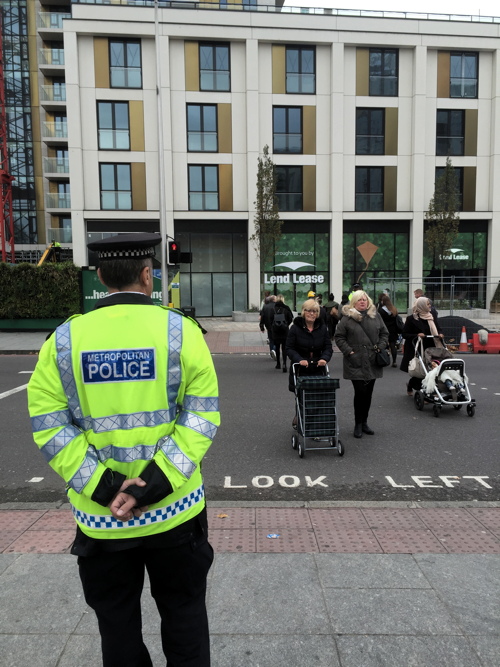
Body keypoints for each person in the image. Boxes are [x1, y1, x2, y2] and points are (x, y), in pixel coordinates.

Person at [27, 233, 220, 667]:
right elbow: (202, 416)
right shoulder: (181, 332)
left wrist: (104, 486)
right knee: (185, 618)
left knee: (117, 631)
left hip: (103, 521)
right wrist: (154, 482)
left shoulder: (62, 340)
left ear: (100, 276)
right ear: (148, 275)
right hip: (174, 511)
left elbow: (49, 425)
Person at [335, 290, 389, 439]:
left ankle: (364, 422)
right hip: (355, 361)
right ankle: (358, 423)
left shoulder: (375, 316)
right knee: (360, 393)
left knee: (368, 393)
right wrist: (350, 352)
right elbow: (339, 337)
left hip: (372, 359)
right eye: (359, 300)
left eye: (365, 299)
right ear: (354, 302)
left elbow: (385, 333)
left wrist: (381, 346)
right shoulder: (347, 318)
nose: (363, 302)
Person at [286, 299, 333, 420]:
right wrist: (299, 359)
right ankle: (301, 419)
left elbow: (328, 347)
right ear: (303, 311)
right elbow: (289, 348)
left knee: (317, 397)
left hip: (318, 367)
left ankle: (315, 425)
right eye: (309, 311)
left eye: (315, 311)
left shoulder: (322, 328)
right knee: (302, 396)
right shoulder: (295, 328)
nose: (312, 314)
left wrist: (324, 358)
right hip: (301, 368)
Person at [400, 295, 444, 396]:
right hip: (417, 347)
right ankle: (413, 385)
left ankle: (431, 390)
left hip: (431, 346)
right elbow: (405, 334)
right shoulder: (412, 319)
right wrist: (417, 335)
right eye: (427, 304)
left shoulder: (431, 316)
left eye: (429, 304)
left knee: (433, 368)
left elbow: (438, 327)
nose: (429, 306)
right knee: (421, 371)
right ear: (421, 305)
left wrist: (440, 334)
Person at [271, 294, 293, 372]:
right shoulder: (286, 308)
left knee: (277, 347)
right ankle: (284, 364)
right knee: (284, 348)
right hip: (284, 331)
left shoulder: (273, 308)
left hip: (276, 331)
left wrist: (273, 326)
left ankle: (278, 363)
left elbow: (270, 319)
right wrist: (286, 324)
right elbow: (291, 318)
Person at [377, 293, 400, 367]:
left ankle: (383, 359)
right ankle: (394, 361)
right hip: (393, 330)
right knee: (393, 345)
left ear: (383, 302)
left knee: (383, 344)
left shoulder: (381, 310)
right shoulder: (394, 309)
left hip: (384, 329)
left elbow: (380, 320)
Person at [259, 294, 277, 360]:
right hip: (276, 326)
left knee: (271, 339)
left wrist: (261, 326)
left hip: (268, 326)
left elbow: (262, 317)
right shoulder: (277, 306)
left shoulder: (265, 306)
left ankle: (272, 351)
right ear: (274, 300)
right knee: (276, 340)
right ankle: (274, 350)